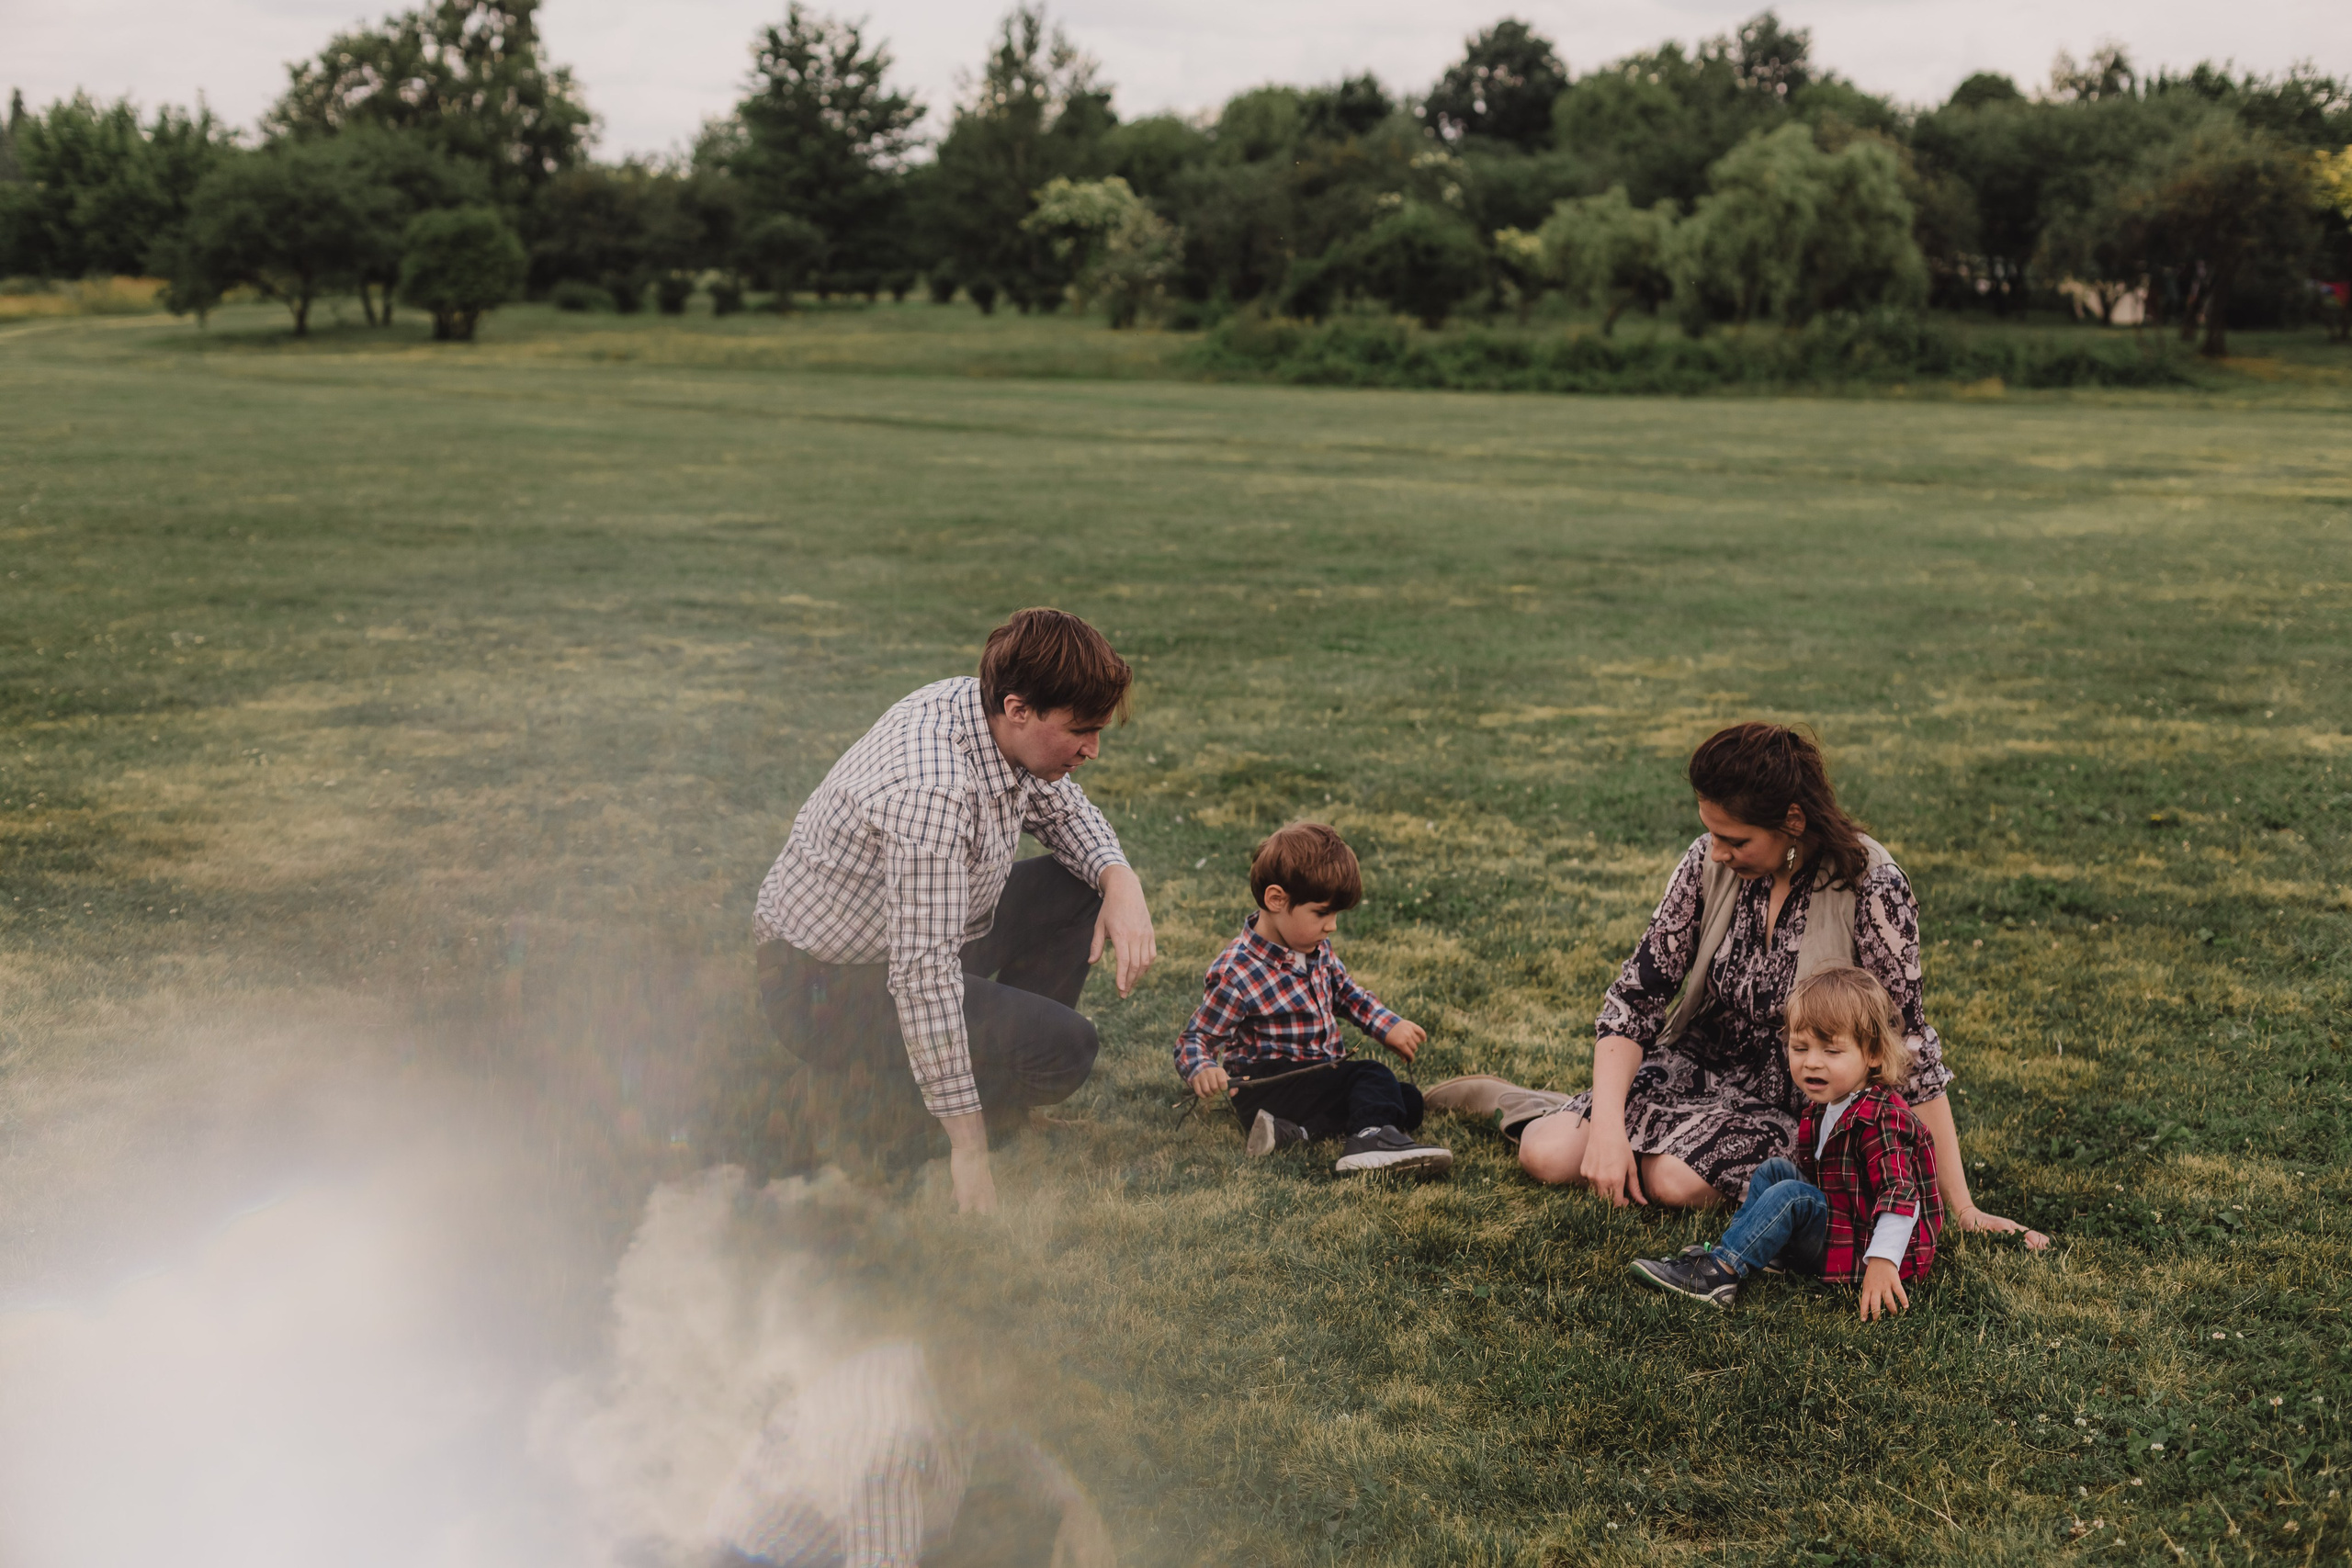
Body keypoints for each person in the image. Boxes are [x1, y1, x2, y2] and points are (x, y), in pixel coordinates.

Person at [1427, 722, 2045, 1248]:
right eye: (1711, 832)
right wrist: (1609, 1130)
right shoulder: (1705, 861)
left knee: (1676, 1182)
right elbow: (1637, 997)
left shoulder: (1872, 884)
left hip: (1798, 1096)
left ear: (1793, 822)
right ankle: (1540, 1105)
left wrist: (1961, 1208)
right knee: (1545, 1154)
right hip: (1699, 1061)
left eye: (1735, 839)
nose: (1716, 851)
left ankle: (1615, 1124)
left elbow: (1908, 1045)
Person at [752, 609, 1158, 1215]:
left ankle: (993, 1105)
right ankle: (911, 1107)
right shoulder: (932, 792)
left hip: (902, 935)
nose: (1093, 750)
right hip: (825, 991)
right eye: (1082, 730)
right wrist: (967, 1150)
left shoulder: (980, 710)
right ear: (1021, 709)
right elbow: (922, 975)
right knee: (1065, 1049)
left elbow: (1062, 810)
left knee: (1081, 885)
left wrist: (1120, 878)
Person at [1629, 964, 1943, 1314]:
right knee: (1775, 1171)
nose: (1812, 1063)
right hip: (1844, 1222)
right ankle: (1766, 1252)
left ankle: (1720, 1274)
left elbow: (1901, 1194)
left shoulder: (1881, 1118)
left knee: (1791, 1196)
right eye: (1800, 1047)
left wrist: (1883, 1262)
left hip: (1863, 1247)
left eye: (1831, 1051)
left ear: (1871, 1053)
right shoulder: (1833, 1103)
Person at [1177, 822, 1452, 1175]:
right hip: (1265, 1086)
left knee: (1406, 1101)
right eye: (1322, 913)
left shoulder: (1316, 949)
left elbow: (1347, 995)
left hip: (1315, 1080)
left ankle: (1291, 1132)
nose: (1331, 926)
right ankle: (1369, 1140)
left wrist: (1388, 1026)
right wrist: (1203, 1067)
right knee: (1371, 1076)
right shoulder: (1237, 972)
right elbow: (1195, 1038)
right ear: (1276, 900)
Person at [702, 1339, 1115, 1568]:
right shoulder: (892, 1446)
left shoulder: (947, 1382)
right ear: (967, 1361)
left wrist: (1074, 1507)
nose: (1022, 1391)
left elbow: (1012, 1446)